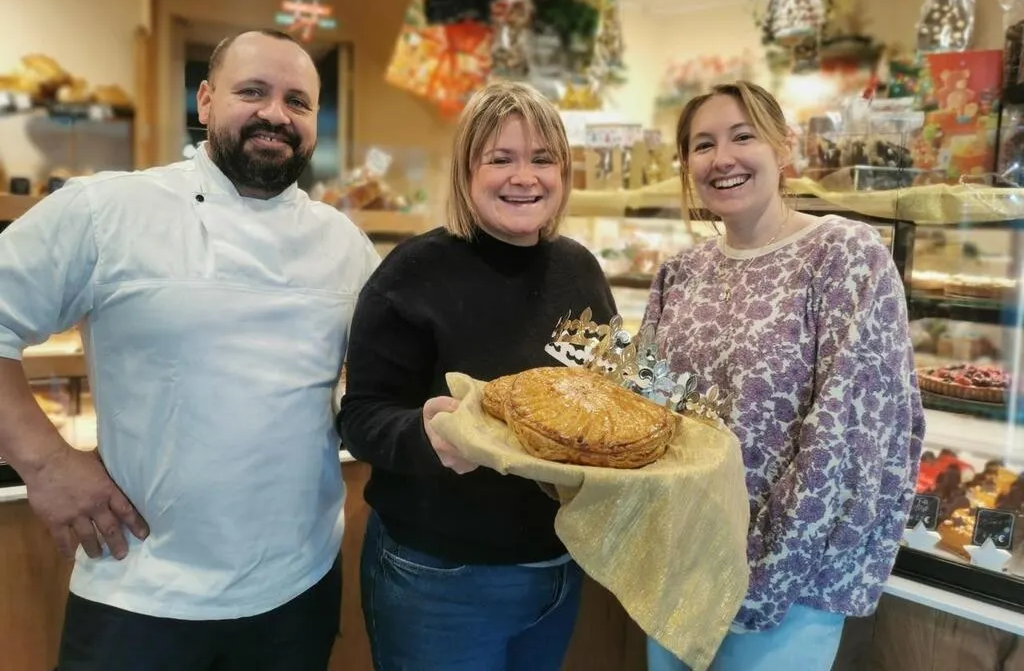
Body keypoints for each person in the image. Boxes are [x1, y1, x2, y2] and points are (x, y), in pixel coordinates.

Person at [0, 29, 379, 671]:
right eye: (252, 91)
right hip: (138, 592)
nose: (275, 114)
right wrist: (44, 463)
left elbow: (393, 373)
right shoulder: (109, 208)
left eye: (298, 102)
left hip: (297, 589)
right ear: (204, 101)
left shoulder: (343, 244)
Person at [643, 81, 925, 671]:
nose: (722, 159)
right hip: (675, 558)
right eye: (702, 145)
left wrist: (770, 565)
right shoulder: (680, 272)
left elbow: (854, 434)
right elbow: (648, 408)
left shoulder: (845, 255)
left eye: (742, 136)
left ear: (782, 148)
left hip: (786, 578)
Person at [337, 80, 616, 670]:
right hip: (440, 578)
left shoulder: (579, 270)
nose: (525, 177)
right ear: (466, 172)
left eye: (543, 159)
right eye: (501, 159)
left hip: (558, 566)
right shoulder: (413, 272)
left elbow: (603, 389)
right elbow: (360, 417)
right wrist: (425, 434)